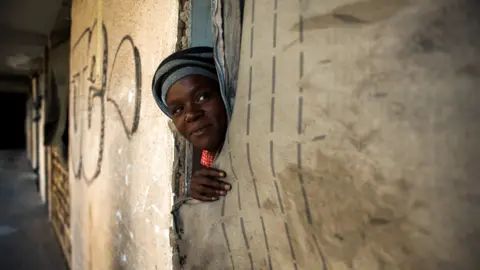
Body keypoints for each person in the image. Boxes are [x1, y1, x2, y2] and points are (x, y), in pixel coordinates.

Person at [152, 46, 232, 202]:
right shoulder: (207, 159)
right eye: (178, 109)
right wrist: (199, 189)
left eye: (202, 97)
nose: (191, 114)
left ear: (225, 94)